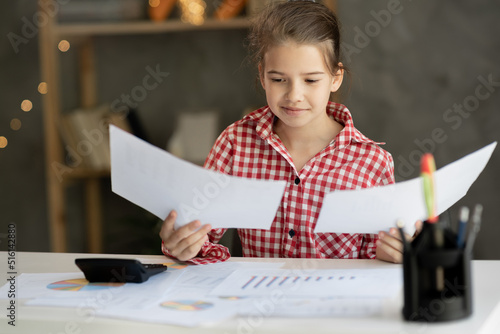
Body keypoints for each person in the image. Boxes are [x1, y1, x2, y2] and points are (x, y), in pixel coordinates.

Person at [159, 0, 419, 265]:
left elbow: (376, 255)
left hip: (337, 303)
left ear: (335, 78)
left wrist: (391, 252)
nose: (294, 96)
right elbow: (200, 233)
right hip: (256, 299)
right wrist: (183, 243)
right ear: (262, 76)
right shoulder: (235, 144)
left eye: (311, 80)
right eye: (279, 79)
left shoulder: (371, 161)